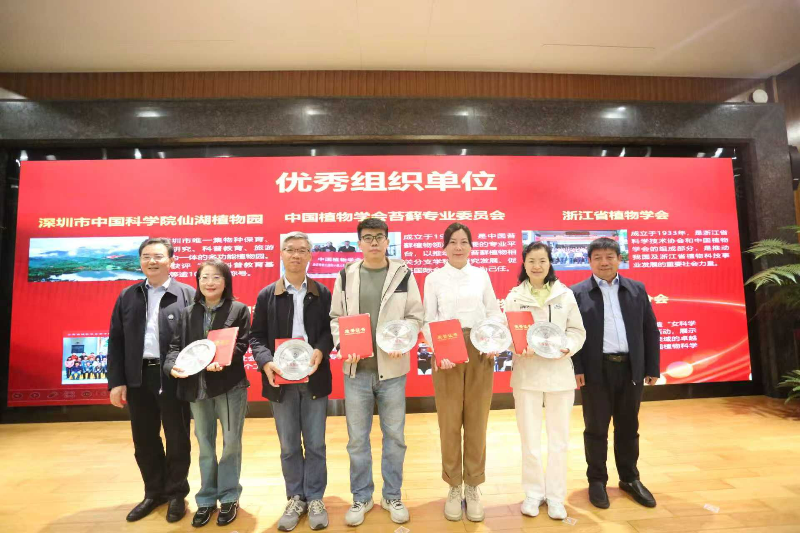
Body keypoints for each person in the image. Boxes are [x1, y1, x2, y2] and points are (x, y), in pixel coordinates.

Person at [330, 217, 424, 527]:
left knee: (395, 437)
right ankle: (361, 497)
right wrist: (344, 343)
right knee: (357, 440)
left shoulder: (403, 274)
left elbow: (415, 317)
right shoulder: (346, 275)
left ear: (387, 241)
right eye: (368, 237)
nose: (374, 242)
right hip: (356, 371)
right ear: (359, 242)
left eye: (379, 236)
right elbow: (335, 318)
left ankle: (392, 496)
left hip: (392, 371)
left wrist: (404, 340)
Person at [250, 231, 334, 531]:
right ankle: (296, 497)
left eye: (302, 250)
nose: (296, 255)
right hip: (280, 379)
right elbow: (256, 336)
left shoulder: (322, 293)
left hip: (314, 376)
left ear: (310, 255)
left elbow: (330, 330)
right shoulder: (267, 295)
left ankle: (315, 497)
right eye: (290, 249)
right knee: (288, 445)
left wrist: (321, 349)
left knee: (315, 443)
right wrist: (266, 361)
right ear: (282, 254)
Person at [107, 237, 194, 523]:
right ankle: (153, 492)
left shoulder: (187, 294)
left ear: (171, 260)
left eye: (158, 256)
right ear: (140, 261)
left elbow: (198, 340)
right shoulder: (128, 296)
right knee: (144, 438)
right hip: (137, 376)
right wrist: (116, 381)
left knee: (177, 437)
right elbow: (116, 341)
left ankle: (176, 493)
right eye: (146, 256)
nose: (151, 261)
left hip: (173, 376)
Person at [421, 222, 504, 522]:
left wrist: (493, 341)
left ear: (471, 246)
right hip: (446, 349)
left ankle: (473, 484)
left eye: (464, 242)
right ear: (444, 247)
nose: (458, 247)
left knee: (477, 419)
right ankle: (454, 485)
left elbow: (493, 312)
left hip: (479, 348)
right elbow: (428, 319)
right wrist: (438, 350)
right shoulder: (433, 278)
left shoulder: (481, 275)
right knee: (449, 420)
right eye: (453, 242)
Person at [571, 237, 660, 509]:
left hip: (631, 368)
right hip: (596, 370)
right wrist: (577, 368)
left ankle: (630, 478)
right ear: (589, 261)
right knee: (596, 428)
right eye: (597, 257)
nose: (604, 262)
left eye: (610, 256)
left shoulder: (636, 289)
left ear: (619, 259)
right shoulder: (577, 293)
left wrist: (652, 366)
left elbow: (650, 329)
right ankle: (597, 480)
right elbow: (571, 334)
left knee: (628, 426)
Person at [164, 258, 251, 527]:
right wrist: (171, 366)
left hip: (229, 385)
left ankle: (229, 497)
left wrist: (224, 360)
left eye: (216, 277)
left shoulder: (238, 309)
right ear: (198, 282)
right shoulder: (188, 312)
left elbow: (241, 344)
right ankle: (206, 499)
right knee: (204, 444)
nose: (209, 282)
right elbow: (175, 347)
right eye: (204, 277)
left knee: (231, 442)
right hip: (196, 387)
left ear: (226, 282)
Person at [504, 242, 586, 520]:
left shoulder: (565, 294)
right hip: (526, 374)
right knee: (529, 439)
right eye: (531, 261)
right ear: (524, 264)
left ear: (550, 263)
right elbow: (507, 332)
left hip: (559, 374)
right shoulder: (514, 297)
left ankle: (555, 496)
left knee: (559, 440)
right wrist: (517, 346)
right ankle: (533, 493)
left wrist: (567, 347)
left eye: (542, 260)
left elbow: (577, 331)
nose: (537, 266)